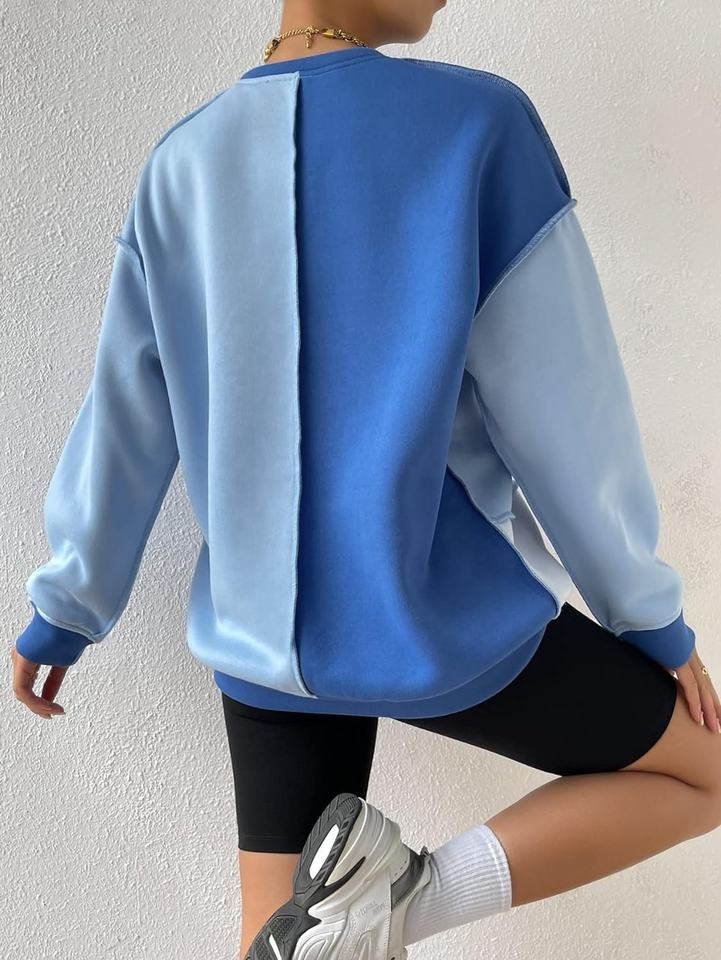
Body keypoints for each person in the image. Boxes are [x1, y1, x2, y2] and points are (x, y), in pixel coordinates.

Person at [11, 2, 721, 959]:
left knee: (277, 944)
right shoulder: (477, 124)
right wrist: (643, 613)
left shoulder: (181, 162)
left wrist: (69, 604)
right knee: (707, 771)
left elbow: (127, 416)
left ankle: (350, 917)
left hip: (260, 636)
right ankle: (400, 900)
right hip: (434, 613)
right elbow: (562, 407)